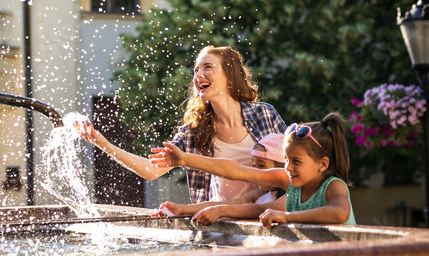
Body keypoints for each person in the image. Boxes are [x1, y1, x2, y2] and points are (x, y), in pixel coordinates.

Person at [74, 45, 286, 203]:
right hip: (220, 224)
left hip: (265, 218)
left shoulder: (264, 114)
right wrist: (105, 145)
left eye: (208, 67)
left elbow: (293, 164)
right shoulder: (195, 130)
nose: (198, 75)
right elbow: (151, 171)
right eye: (195, 70)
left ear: (229, 75)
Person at [150, 112, 356, 227]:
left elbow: (339, 213)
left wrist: (286, 216)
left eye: (296, 161)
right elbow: (236, 170)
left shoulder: (333, 186)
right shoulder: (287, 180)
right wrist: (184, 159)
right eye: (285, 159)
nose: (289, 167)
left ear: (323, 164)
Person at [152, 133, 287, 226]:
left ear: (281, 167)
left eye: (261, 166)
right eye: (254, 165)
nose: (256, 171)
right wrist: (181, 209)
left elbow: (259, 209)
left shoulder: (291, 193)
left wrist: (220, 211)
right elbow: (232, 203)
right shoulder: (261, 194)